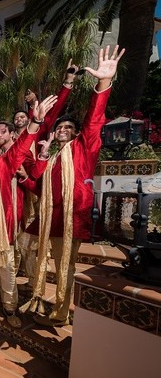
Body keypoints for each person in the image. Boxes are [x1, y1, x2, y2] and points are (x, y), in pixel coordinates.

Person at [30, 45, 125, 327]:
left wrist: (103, 83)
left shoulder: (84, 148)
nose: (62, 130)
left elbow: (94, 121)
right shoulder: (55, 158)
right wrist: (37, 164)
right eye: (60, 128)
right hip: (54, 220)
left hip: (72, 218)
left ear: (76, 133)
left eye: (68, 128)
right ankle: (55, 304)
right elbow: (40, 187)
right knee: (57, 265)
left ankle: (61, 312)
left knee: (65, 267)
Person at [0, 94, 58, 328]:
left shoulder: (4, 165)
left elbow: (21, 147)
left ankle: (10, 307)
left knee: (6, 270)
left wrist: (34, 123)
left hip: (0, 228)